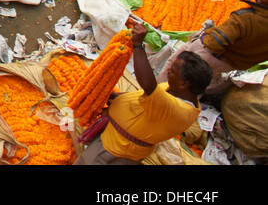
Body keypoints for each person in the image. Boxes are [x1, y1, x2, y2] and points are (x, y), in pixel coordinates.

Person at [75, 25, 209, 165]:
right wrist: (118, 98)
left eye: (173, 71)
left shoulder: (178, 111)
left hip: (116, 150)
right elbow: (145, 98)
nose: (168, 70)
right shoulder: (175, 90)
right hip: (112, 138)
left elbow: (149, 86)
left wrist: (138, 45)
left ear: (184, 84)